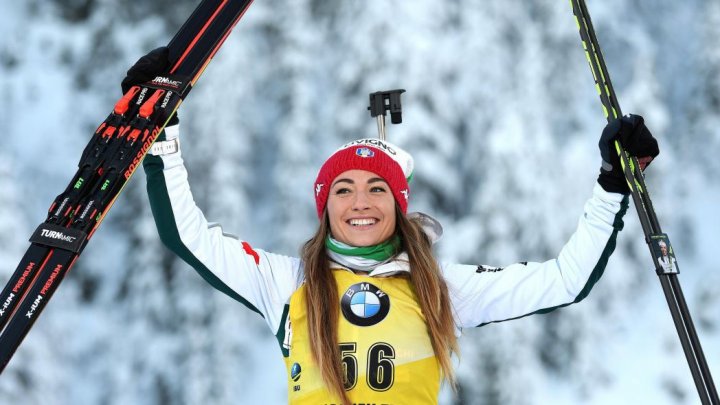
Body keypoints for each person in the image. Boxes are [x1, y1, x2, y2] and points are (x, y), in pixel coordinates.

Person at [126, 48, 659, 404]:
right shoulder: (287, 284)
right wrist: (161, 135)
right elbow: (187, 235)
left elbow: (565, 279)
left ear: (397, 206)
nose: (361, 202)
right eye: (344, 189)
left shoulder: (439, 289)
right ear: (325, 207)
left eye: (377, 188)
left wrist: (611, 183)